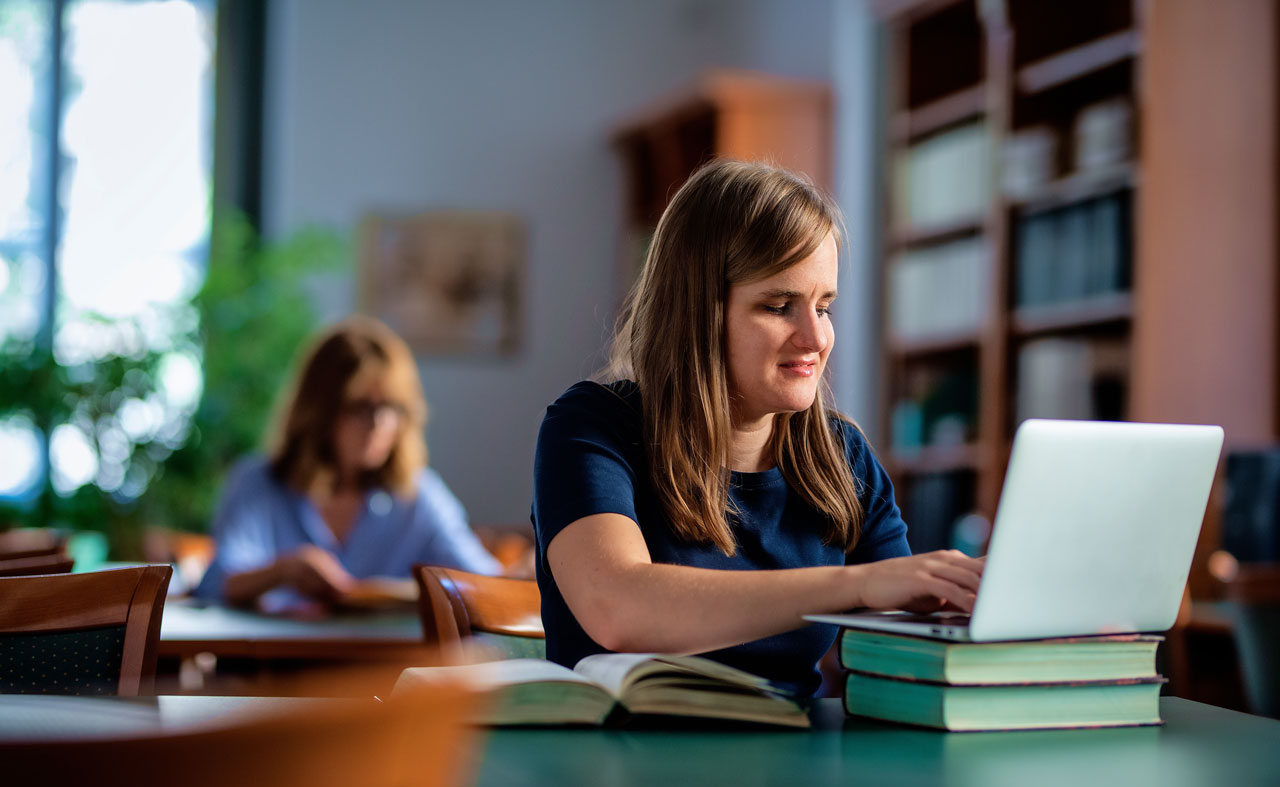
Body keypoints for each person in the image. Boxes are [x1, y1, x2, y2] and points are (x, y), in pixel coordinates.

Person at [532, 160, 984, 698]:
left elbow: (904, 641)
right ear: (697, 312)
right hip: (625, 763)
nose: (815, 338)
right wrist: (855, 585)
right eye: (778, 306)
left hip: (800, 765)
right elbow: (618, 608)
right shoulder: (591, 424)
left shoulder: (843, 455)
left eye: (825, 307)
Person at [196, 315, 501, 611]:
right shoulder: (260, 483)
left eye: (392, 408)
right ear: (319, 411)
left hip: (389, 663)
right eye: (360, 407)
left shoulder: (418, 495)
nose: (379, 424)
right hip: (278, 661)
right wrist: (283, 571)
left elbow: (487, 584)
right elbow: (215, 585)